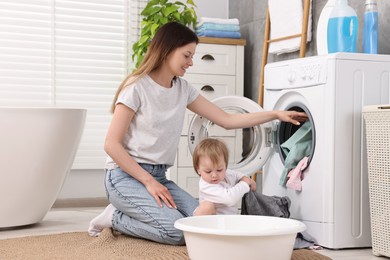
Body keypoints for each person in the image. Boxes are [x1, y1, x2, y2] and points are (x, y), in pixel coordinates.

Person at [88, 21, 307, 246]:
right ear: (167, 50)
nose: (191, 62)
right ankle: (114, 217)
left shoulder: (182, 89)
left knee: (205, 220)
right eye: (187, 55)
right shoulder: (137, 87)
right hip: (125, 178)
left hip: (159, 176)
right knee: (177, 232)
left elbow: (227, 120)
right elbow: (111, 144)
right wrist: (148, 182)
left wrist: (275, 114)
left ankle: (136, 211)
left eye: (192, 56)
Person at [192, 138, 256, 215]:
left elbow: (237, 175)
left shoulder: (227, 173)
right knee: (206, 207)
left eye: (219, 170)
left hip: (227, 220)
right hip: (209, 221)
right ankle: (196, 224)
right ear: (198, 169)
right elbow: (230, 198)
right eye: (208, 171)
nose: (214, 175)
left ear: (225, 166)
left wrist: (245, 178)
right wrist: (245, 184)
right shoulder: (206, 186)